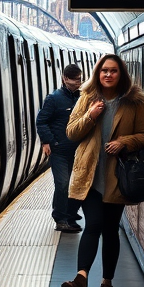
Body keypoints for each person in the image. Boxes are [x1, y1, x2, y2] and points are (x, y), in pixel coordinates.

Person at [61, 55, 144, 287]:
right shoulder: (87, 97)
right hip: (89, 175)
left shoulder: (134, 102)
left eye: (113, 71)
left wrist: (124, 141)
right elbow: (71, 133)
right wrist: (90, 116)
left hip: (116, 177)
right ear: (97, 74)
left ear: (121, 74)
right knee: (93, 224)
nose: (108, 75)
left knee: (110, 230)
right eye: (104, 71)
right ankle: (81, 280)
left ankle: (107, 284)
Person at [37, 62, 83, 232]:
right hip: (59, 151)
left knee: (75, 184)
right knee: (62, 183)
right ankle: (60, 219)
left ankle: (70, 215)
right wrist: (48, 141)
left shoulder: (82, 98)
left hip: (78, 150)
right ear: (65, 79)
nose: (78, 83)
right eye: (74, 80)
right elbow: (41, 121)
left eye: (79, 79)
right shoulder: (54, 99)